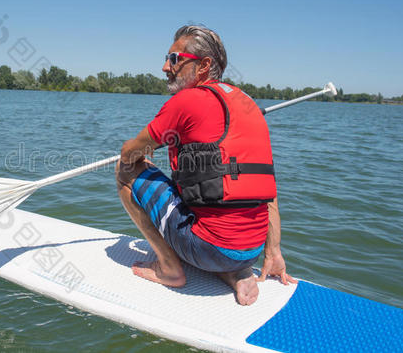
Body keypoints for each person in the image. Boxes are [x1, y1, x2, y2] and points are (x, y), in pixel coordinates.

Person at [115, 25, 296, 306]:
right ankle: (235, 271)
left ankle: (170, 269)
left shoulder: (185, 101)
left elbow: (129, 153)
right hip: (254, 250)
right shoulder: (248, 103)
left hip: (208, 248)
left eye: (175, 59)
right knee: (208, 184)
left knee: (125, 171)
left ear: (204, 65)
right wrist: (273, 253)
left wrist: (140, 156)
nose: (165, 67)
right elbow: (266, 189)